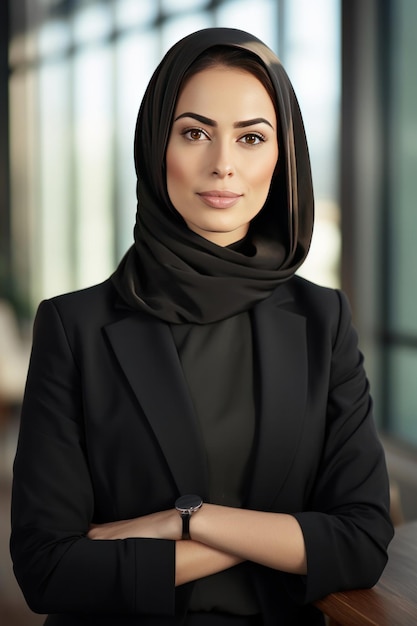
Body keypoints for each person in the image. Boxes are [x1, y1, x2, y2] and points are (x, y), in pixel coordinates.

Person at [10, 27, 394, 626]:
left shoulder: (324, 320)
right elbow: (48, 571)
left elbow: (363, 542)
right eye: (194, 133)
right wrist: (275, 540)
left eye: (250, 138)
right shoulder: (73, 327)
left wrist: (186, 520)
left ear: (282, 157)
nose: (222, 166)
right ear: (154, 146)